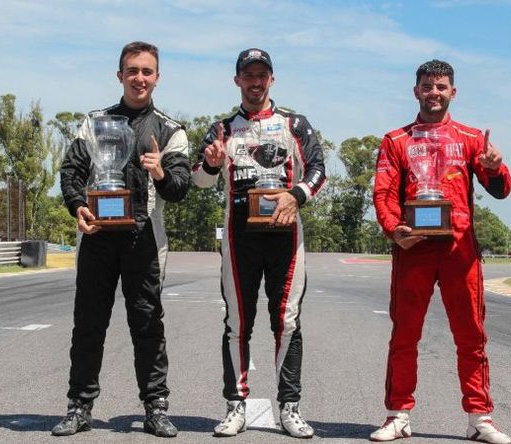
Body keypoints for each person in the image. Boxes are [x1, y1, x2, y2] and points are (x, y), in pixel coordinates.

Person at [371, 60, 511, 444]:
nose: (434, 92)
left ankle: (480, 418)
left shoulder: (470, 138)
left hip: (459, 249)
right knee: (405, 335)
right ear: (415, 91)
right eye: (427, 86)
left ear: (453, 92)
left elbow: (500, 189)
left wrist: (495, 168)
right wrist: (392, 229)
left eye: (441, 86)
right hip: (413, 248)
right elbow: (383, 191)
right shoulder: (395, 140)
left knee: (471, 336)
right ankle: (398, 414)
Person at [54, 41, 190, 438]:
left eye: (147, 71)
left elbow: (180, 188)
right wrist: (78, 206)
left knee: (148, 325)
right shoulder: (93, 122)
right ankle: (79, 406)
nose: (140, 78)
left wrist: (161, 172)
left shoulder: (170, 129)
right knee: (88, 324)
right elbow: (71, 172)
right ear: (120, 76)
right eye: (132, 70)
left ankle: (156, 407)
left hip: (144, 239)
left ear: (157, 78)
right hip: (97, 235)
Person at [191, 48, 326, 439]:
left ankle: (290, 408)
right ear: (237, 80)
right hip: (239, 236)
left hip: (286, 233)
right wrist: (214, 163)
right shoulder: (222, 128)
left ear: (272, 79)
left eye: (261, 75)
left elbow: (318, 169)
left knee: (286, 321)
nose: (255, 81)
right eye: (247, 75)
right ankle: (235, 405)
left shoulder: (294, 123)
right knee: (237, 322)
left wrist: (296, 195)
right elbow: (200, 179)